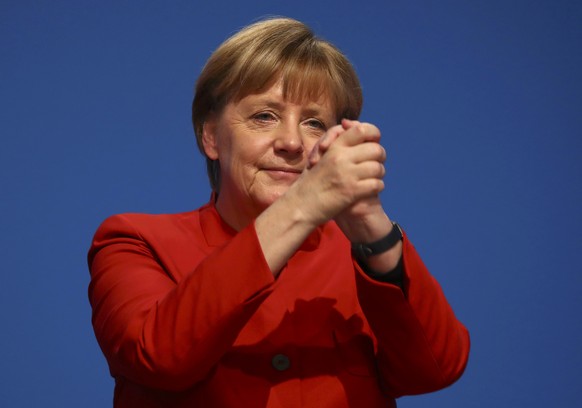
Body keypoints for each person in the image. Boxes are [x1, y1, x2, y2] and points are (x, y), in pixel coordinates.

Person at [88, 17, 470, 408]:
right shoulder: (134, 240)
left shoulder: (362, 258)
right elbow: (158, 358)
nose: (291, 142)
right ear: (211, 136)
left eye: (314, 123)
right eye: (264, 116)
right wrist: (301, 204)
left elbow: (435, 370)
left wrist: (371, 224)